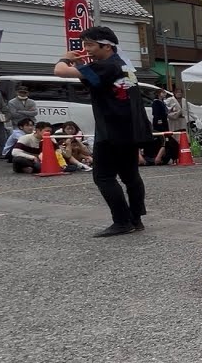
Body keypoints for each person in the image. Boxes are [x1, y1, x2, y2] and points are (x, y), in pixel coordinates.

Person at [53, 27, 153, 237]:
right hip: (130, 128)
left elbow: (60, 71)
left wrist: (66, 58)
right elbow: (96, 81)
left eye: (90, 45)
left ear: (106, 45)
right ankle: (136, 219)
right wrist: (81, 63)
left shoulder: (106, 65)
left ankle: (122, 221)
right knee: (130, 176)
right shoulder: (123, 64)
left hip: (113, 129)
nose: (86, 49)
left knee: (103, 176)